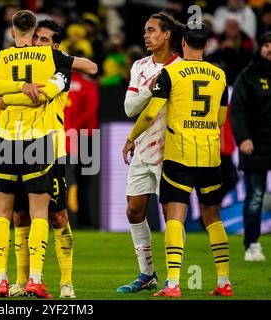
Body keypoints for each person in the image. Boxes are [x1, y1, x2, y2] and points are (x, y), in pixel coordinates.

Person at [0, 19, 97, 299]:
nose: (38, 44)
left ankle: (66, 282)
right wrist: (20, 88)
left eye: (45, 40)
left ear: (56, 46)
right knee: (20, 214)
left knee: (57, 216)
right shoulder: (35, 64)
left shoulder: (61, 69)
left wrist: (8, 97)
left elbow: (0, 94)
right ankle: (23, 282)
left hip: (52, 148)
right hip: (24, 144)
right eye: (37, 38)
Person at [123, 23, 233, 298]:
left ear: (182, 42)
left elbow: (149, 115)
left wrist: (130, 139)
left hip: (179, 155)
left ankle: (172, 283)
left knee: (174, 217)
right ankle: (224, 282)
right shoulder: (220, 75)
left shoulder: (171, 72)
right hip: (210, 156)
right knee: (213, 218)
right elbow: (220, 119)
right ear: (206, 45)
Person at [117, 12, 183, 294]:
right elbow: (130, 108)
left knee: (171, 214)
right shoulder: (139, 66)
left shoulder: (182, 68)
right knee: (134, 210)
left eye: (152, 30)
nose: (146, 35)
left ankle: (173, 278)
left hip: (171, 149)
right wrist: (153, 90)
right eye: (145, 30)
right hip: (143, 147)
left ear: (167, 34)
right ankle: (147, 274)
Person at [230, 31, 271, 262]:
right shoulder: (248, 76)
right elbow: (236, 110)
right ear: (260, 48)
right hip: (255, 144)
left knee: (256, 196)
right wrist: (243, 138)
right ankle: (252, 244)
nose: (269, 50)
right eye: (266, 45)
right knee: (255, 196)